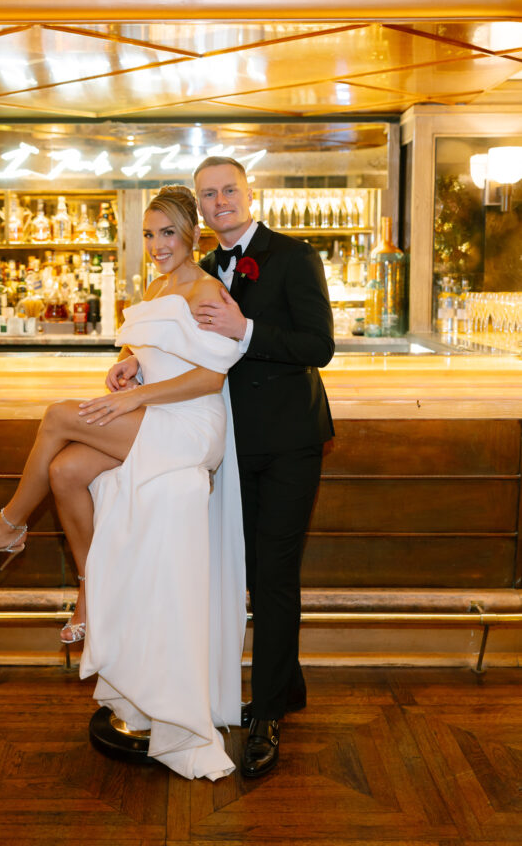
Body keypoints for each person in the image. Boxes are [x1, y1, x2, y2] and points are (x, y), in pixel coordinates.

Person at [0, 185, 246, 781]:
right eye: (149, 234)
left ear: (192, 234)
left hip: (189, 425)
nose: (157, 245)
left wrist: (135, 396)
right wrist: (129, 361)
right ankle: (91, 586)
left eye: (167, 233)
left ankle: (7, 527)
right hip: (153, 413)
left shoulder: (206, 289)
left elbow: (210, 379)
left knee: (59, 416)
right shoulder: (157, 288)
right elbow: (155, 348)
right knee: (65, 471)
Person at [191, 156, 335, 779]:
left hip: (289, 443)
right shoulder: (202, 270)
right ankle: (288, 686)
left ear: (250, 195)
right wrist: (136, 362)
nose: (220, 201)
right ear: (200, 207)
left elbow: (319, 346)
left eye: (229, 189)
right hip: (230, 446)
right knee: (251, 571)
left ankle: (268, 713)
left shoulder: (294, 256)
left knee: (273, 576)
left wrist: (246, 328)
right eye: (208, 194)